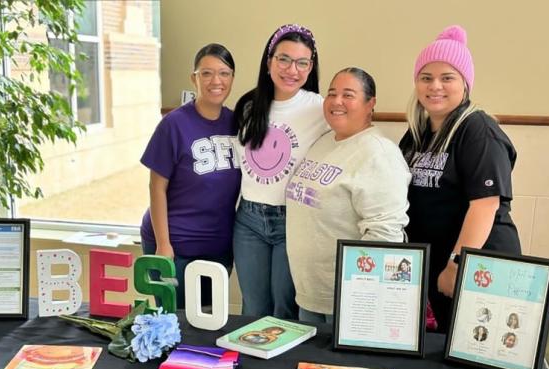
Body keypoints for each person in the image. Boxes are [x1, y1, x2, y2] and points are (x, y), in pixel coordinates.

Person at [400, 26, 521, 333]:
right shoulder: (418, 134)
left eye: (447, 77)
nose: (435, 86)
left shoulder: (478, 130)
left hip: (478, 265)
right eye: (426, 77)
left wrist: (457, 264)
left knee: (477, 359)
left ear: (465, 84)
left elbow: (484, 206)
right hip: (440, 266)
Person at [286, 68, 410, 323]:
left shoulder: (378, 154)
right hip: (309, 296)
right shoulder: (323, 142)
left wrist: (358, 295)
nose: (337, 101)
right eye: (331, 94)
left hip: (346, 303)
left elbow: (385, 236)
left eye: (348, 95)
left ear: (370, 103)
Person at [233, 24, 328, 319]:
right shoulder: (248, 106)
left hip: (293, 222)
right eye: (284, 59)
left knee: (284, 311)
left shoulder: (320, 108)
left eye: (302, 62)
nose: (292, 70)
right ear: (269, 61)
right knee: (253, 309)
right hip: (248, 221)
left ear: (311, 67)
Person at [139, 44, 241, 309]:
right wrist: (164, 245)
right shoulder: (174, 124)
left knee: (208, 325)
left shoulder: (237, 125)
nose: (216, 81)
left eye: (224, 73)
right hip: (175, 246)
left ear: (232, 78)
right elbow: (156, 187)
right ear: (194, 78)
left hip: (218, 249)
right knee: (174, 327)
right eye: (206, 73)